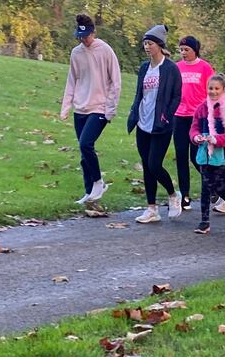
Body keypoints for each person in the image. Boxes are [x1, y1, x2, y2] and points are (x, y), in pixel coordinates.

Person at [59, 14, 121, 207]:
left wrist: (110, 109)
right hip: (81, 108)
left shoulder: (105, 50)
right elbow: (72, 80)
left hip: (100, 107)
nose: (84, 40)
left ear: (94, 33)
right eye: (80, 37)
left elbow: (116, 81)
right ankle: (89, 192)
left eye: (86, 36)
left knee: (86, 144)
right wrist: (66, 106)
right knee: (83, 151)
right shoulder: (76, 53)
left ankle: (98, 183)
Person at [126, 25, 182, 223]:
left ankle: (173, 194)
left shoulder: (170, 68)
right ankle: (152, 209)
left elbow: (177, 97)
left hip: (161, 125)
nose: (146, 47)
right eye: (145, 43)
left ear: (159, 45)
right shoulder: (144, 68)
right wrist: (134, 113)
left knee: (154, 164)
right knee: (147, 167)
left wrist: (166, 116)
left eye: (150, 43)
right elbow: (139, 94)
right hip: (143, 122)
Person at [190, 73, 225, 234]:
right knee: (206, 185)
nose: (213, 91)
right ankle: (204, 221)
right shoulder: (202, 108)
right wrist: (196, 137)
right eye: (210, 88)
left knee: (217, 185)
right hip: (204, 153)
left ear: (224, 90)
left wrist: (217, 139)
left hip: (221, 155)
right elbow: (194, 127)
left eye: (216, 89)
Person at [171, 35, 214, 211]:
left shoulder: (204, 67)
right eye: (181, 49)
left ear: (194, 50)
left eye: (186, 49)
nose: (183, 53)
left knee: (197, 157)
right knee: (181, 156)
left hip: (198, 117)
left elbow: (212, 91)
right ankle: (185, 195)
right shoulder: (176, 67)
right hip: (179, 116)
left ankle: (213, 185)